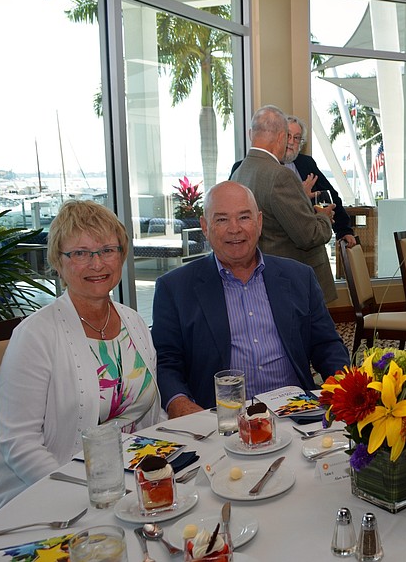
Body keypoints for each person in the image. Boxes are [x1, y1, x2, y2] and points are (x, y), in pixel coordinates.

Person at [0, 200, 160, 511]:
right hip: (49, 495)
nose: (97, 264)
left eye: (107, 250)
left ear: (122, 255)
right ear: (58, 261)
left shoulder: (133, 322)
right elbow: (18, 442)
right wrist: (81, 494)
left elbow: (149, 413)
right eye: (81, 253)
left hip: (127, 483)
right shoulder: (35, 336)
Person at [152, 181, 350, 419]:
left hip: (296, 413)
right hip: (219, 420)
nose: (234, 229)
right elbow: (166, 362)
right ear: (205, 226)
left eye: (244, 217)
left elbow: (326, 345)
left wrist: (343, 386)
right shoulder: (175, 288)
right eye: (222, 219)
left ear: (259, 222)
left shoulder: (299, 277)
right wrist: (179, 403)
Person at [231, 105, 338, 302]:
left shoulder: (239, 173)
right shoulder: (280, 176)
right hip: (294, 283)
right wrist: (323, 218)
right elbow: (309, 236)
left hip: (267, 277)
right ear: (282, 137)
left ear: (251, 134)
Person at [283, 116, 357, 248]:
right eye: (288, 136)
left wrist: (343, 230)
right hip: (283, 244)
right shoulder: (268, 166)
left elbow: (330, 195)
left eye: (296, 138)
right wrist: (301, 195)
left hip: (311, 241)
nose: (291, 142)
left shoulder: (306, 164)